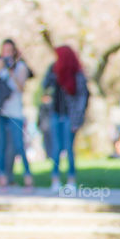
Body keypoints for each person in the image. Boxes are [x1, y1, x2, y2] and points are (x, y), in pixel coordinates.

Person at [42, 45, 89, 191]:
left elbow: (82, 98)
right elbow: (45, 86)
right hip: (56, 113)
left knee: (69, 148)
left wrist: (77, 120)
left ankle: (71, 180)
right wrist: (52, 72)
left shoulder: (77, 74)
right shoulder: (54, 71)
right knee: (55, 148)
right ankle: (55, 179)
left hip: (70, 116)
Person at [0, 39, 34, 190]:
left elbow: (21, 88)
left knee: (19, 144)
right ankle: (1, 176)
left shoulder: (20, 67)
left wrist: (11, 71)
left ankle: (27, 175)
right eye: (5, 50)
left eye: (10, 50)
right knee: (0, 145)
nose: (7, 53)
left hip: (15, 111)